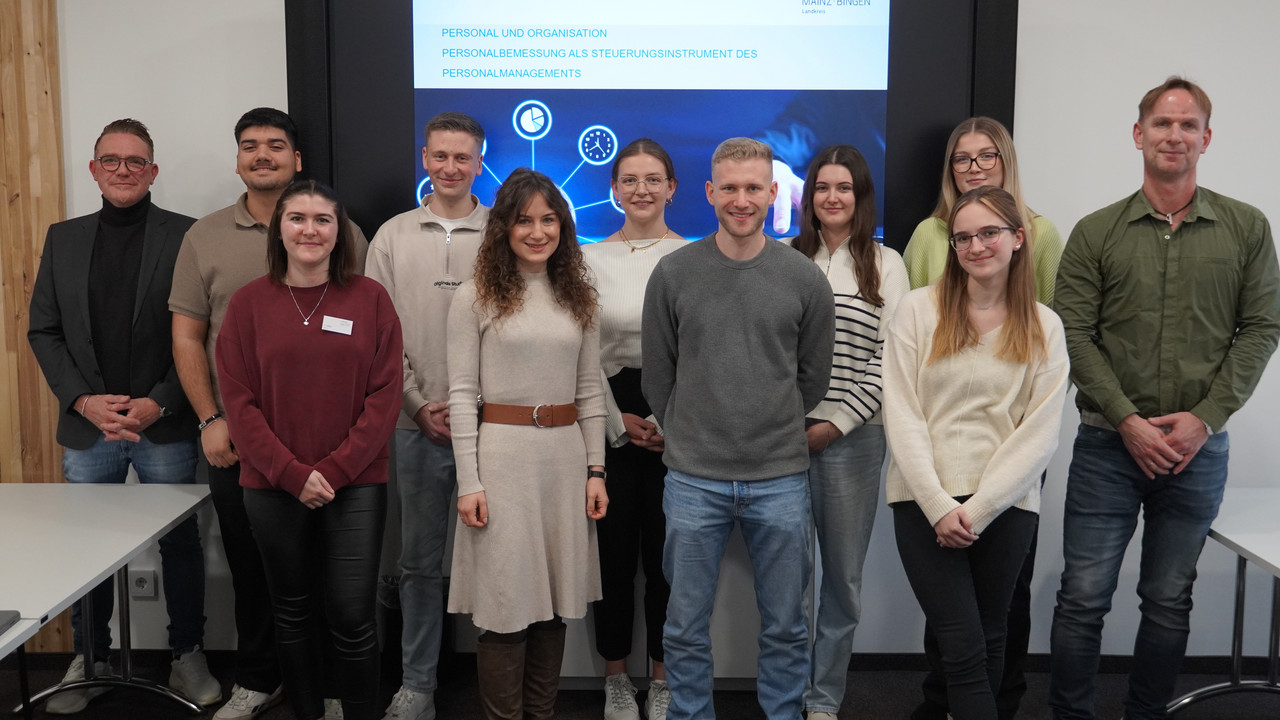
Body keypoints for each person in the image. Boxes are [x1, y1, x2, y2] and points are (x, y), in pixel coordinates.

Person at [1049, 76, 1280, 720]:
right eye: (1161, 123)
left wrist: (1205, 420)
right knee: (1082, 598)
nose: (1173, 135)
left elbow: (1262, 327)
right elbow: (1072, 332)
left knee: (1169, 597)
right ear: (1138, 134)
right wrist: (1127, 422)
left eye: (1187, 125)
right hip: (1105, 446)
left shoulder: (1245, 228)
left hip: (1196, 452)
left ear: (1206, 139)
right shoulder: (1096, 233)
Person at [170, 107, 367, 720]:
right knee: (253, 569)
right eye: (250, 146)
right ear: (237, 159)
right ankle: (257, 679)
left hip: (331, 447)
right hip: (240, 439)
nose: (263, 155)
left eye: (276, 146)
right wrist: (211, 419)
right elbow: (187, 336)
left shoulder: (344, 230)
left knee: (336, 582)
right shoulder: (204, 236)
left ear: (296, 159)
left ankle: (331, 690)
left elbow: (362, 329)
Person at [27, 118, 220, 715]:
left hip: (162, 420)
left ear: (154, 171)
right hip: (90, 425)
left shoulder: (187, 235)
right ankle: (95, 658)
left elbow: (199, 332)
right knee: (89, 549)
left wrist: (160, 399)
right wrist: (84, 401)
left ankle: (186, 653)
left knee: (180, 545)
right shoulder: (63, 238)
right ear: (93, 170)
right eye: (111, 160)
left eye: (136, 161)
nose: (123, 170)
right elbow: (44, 330)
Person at [641, 137, 835, 720]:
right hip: (693, 477)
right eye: (729, 187)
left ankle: (783, 714)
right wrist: (690, 430)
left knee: (785, 624)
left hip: (779, 477)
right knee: (684, 624)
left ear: (774, 193)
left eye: (754, 188)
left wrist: (765, 423)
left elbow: (813, 379)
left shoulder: (805, 279)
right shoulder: (673, 274)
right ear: (709, 192)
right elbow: (658, 375)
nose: (742, 199)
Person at [216, 180, 402, 720]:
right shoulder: (249, 304)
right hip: (273, 485)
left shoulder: (370, 299)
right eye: (297, 218)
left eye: (323, 220)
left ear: (339, 231)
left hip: (357, 483)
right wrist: (291, 473)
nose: (310, 230)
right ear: (279, 228)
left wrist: (337, 470)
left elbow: (386, 395)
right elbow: (239, 401)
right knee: (291, 613)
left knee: (351, 614)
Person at [901, 116, 1065, 720]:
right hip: (928, 485)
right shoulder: (919, 305)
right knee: (962, 637)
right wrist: (941, 505)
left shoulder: (1045, 324)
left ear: (1018, 238)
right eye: (964, 238)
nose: (975, 247)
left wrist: (987, 502)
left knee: (991, 631)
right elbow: (906, 406)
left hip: (1007, 487)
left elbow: (1040, 423)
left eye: (990, 234)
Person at [446, 168, 608, 720]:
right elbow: (463, 394)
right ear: (504, 229)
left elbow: (590, 392)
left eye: (549, 220)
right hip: (502, 461)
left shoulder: (578, 296)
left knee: (553, 604)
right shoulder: (476, 296)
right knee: (505, 603)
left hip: (564, 462)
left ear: (563, 225)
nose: (538, 232)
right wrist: (469, 482)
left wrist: (596, 470)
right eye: (524, 221)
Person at [365, 111, 488, 720]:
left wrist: (473, 411)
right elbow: (376, 338)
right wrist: (416, 404)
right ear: (424, 158)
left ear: (479, 162)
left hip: (492, 430)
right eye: (440, 155)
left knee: (493, 557)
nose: (450, 167)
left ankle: (499, 684)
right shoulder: (391, 237)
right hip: (413, 426)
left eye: (462, 157)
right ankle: (419, 685)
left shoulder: (502, 233)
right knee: (417, 565)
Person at [789, 145, 909, 720]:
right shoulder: (784, 259)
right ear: (808, 197)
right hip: (782, 442)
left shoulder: (888, 264)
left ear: (861, 198)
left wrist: (835, 424)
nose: (832, 198)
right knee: (788, 579)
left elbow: (893, 360)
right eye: (822, 188)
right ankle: (787, 693)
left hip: (854, 440)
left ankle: (823, 700)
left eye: (845, 188)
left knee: (841, 581)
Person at [583, 138, 687, 720]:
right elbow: (581, 353)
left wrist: (671, 418)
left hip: (678, 415)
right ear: (614, 189)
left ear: (672, 188)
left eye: (653, 179)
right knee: (615, 558)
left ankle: (664, 678)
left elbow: (703, 348)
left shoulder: (697, 257)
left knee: (670, 559)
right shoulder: (588, 259)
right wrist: (614, 422)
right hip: (608, 413)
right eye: (629, 179)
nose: (641, 189)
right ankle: (617, 679)